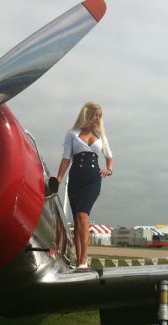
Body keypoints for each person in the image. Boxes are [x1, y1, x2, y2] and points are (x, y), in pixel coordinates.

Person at [56, 102, 114, 268]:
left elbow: (110, 157)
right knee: (76, 220)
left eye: (100, 116)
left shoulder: (101, 137)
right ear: (87, 114)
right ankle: (78, 260)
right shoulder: (72, 134)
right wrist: (58, 179)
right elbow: (66, 158)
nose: (98, 119)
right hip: (75, 178)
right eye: (96, 115)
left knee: (83, 215)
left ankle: (83, 260)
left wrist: (109, 170)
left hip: (93, 179)